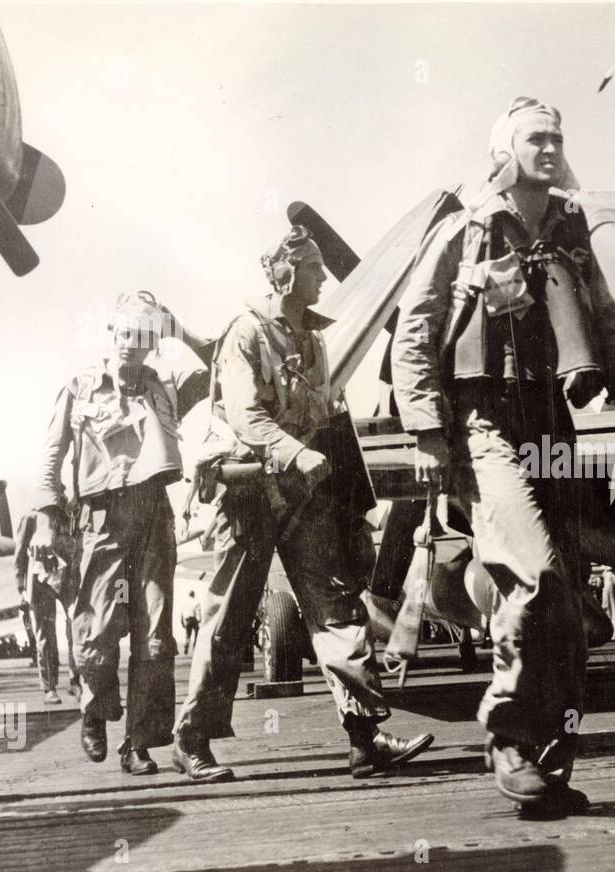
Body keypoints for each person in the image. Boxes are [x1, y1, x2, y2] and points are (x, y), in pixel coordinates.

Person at [391, 96, 615, 815]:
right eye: (534, 139)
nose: (549, 148)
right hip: (486, 426)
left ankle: (550, 761)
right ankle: (510, 737)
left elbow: (607, 331)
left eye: (556, 137)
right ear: (505, 152)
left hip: (553, 426)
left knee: (572, 607)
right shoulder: (465, 231)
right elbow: (416, 330)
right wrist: (426, 432)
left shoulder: (573, 235)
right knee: (537, 578)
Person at [171, 225, 433, 783]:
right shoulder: (244, 332)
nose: (323, 277)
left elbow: (329, 415)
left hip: (303, 495)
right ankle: (192, 739)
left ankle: (365, 739)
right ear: (285, 272)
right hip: (249, 494)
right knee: (227, 620)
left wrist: (350, 497)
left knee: (337, 610)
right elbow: (245, 416)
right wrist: (294, 453)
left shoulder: (312, 338)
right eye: (314, 268)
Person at [31, 291, 209, 774]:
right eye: (126, 332)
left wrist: (179, 327)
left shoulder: (166, 386)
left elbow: (220, 364)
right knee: (96, 633)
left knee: (154, 636)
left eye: (145, 335)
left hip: (154, 517)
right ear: (111, 333)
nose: (133, 344)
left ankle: (139, 744)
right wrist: (47, 517)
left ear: (155, 341)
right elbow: (51, 457)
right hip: (100, 521)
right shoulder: (81, 387)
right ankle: (94, 710)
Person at [13, 512, 80, 702]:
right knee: (45, 634)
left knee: (75, 624)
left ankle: (76, 681)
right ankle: (49, 688)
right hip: (39, 579)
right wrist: (20, 586)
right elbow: (20, 552)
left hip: (67, 576)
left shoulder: (72, 513)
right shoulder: (31, 517)